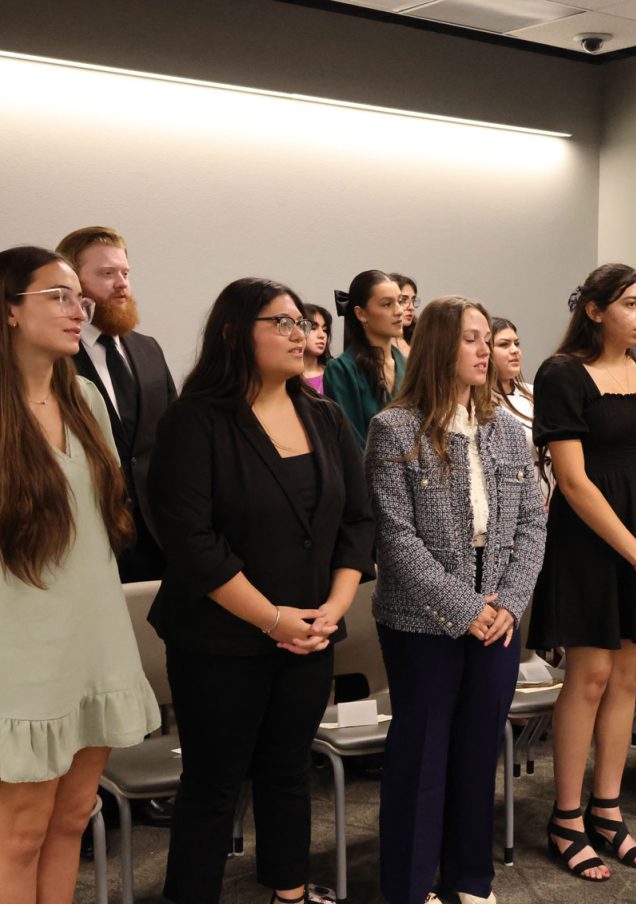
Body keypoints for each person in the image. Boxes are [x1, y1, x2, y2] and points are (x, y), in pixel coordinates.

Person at [0, 246, 160, 902]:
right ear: (8, 311)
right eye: (60, 297)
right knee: (19, 831)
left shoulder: (88, 405)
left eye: (83, 300)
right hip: (12, 655)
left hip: (92, 642)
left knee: (72, 818)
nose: (80, 312)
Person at [147, 278, 375, 904]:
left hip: (312, 630)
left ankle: (290, 893)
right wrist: (273, 619)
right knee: (215, 784)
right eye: (281, 323)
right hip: (220, 637)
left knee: (287, 772)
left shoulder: (323, 416)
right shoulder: (196, 421)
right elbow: (192, 541)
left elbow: (357, 520)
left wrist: (333, 607)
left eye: (302, 323)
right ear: (233, 334)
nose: (299, 334)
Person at [365, 296, 546, 904]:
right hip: (421, 622)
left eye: (486, 340)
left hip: (499, 617)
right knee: (422, 757)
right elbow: (395, 538)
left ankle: (470, 878)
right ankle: (411, 890)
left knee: (477, 754)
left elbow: (530, 526)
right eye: (472, 339)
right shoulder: (394, 429)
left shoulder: (504, 427)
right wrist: (467, 611)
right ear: (441, 346)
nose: (484, 350)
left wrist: (510, 603)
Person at [528, 264, 636, 881]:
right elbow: (572, 480)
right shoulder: (562, 373)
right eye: (631, 305)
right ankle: (566, 818)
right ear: (594, 310)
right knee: (588, 680)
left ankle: (607, 810)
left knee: (627, 678)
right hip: (592, 541)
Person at [57, 226, 178, 583]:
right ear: (73, 284)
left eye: (125, 273)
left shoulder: (148, 348)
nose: (121, 283)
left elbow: (174, 435)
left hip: (162, 533)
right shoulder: (54, 358)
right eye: (106, 274)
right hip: (91, 536)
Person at [326, 270, 406, 448]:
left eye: (400, 301)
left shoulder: (407, 364)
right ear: (361, 314)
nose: (399, 311)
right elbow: (351, 441)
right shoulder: (342, 369)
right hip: (367, 471)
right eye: (387, 304)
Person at [490, 317, 535, 455]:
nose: (515, 350)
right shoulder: (476, 403)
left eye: (517, 343)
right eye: (504, 344)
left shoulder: (535, 392)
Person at [301, 302, 333, 394]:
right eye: (314, 328)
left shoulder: (333, 374)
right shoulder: (286, 378)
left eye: (325, 330)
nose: (322, 335)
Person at [391, 273, 418, 357]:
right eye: (403, 300)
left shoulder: (419, 339)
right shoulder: (380, 343)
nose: (411, 307)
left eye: (413, 300)